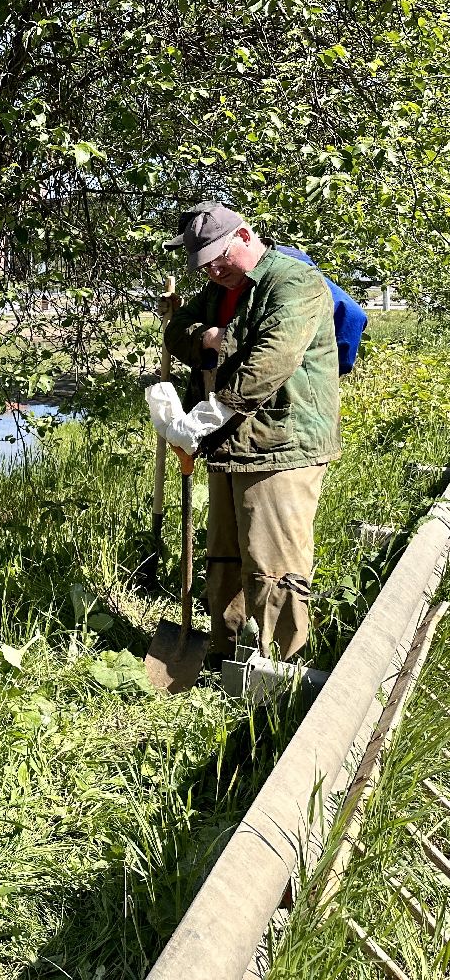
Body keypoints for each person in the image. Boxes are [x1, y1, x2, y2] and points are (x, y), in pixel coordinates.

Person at [151, 201, 340, 666]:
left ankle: (281, 673)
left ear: (243, 235)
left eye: (218, 258)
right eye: (204, 265)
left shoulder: (294, 283)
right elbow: (176, 331)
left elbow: (269, 361)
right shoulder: (218, 291)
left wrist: (212, 411)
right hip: (228, 444)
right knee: (224, 558)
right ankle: (225, 656)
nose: (213, 270)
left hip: (281, 444)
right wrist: (208, 337)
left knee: (274, 566)